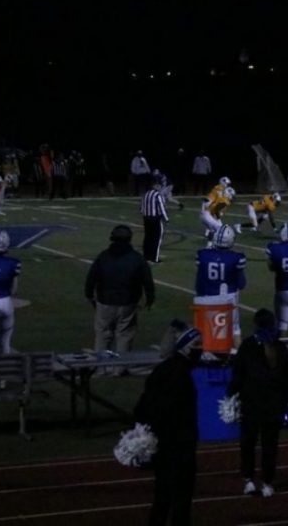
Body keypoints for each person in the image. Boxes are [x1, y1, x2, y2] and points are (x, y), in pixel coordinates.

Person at [133, 322, 202, 526]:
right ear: (185, 346)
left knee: (162, 499)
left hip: (163, 446)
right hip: (178, 447)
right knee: (180, 501)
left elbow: (141, 408)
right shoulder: (180, 375)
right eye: (197, 344)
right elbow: (169, 411)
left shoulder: (163, 370)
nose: (201, 349)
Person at [227, 309, 288, 499]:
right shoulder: (280, 347)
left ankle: (248, 479)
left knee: (248, 444)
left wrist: (231, 394)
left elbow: (238, 374)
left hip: (252, 404)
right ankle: (267, 482)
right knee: (269, 445)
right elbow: (286, 377)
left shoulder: (248, 346)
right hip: (272, 406)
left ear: (255, 325)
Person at [84, 225, 155, 359]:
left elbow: (91, 277)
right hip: (128, 302)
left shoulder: (103, 256)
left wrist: (89, 295)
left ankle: (100, 367)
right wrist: (150, 298)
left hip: (105, 301)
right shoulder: (137, 258)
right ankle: (119, 367)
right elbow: (147, 280)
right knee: (124, 335)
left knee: (103, 334)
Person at [195, 225, 247, 346]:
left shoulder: (202, 255)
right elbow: (241, 284)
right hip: (228, 298)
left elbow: (199, 282)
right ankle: (238, 360)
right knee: (235, 329)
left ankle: (203, 360)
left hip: (207, 297)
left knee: (205, 331)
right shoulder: (237, 258)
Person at [141, 180, 170, 264]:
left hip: (146, 218)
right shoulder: (157, 195)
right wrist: (166, 219)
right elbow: (161, 208)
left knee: (147, 238)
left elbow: (141, 208)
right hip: (155, 219)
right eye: (159, 185)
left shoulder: (145, 194)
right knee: (156, 239)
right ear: (155, 185)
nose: (160, 187)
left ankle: (146, 256)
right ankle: (154, 258)